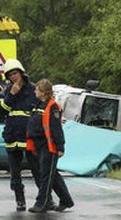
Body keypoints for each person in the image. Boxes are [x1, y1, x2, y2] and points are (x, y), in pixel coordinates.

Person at [27, 79, 74, 213]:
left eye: (37, 90)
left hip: (49, 145)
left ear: (43, 92)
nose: (34, 92)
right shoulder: (38, 105)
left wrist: (60, 147)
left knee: (46, 176)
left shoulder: (52, 107)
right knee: (51, 175)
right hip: (39, 145)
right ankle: (66, 200)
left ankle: (42, 203)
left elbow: (56, 128)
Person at [0, 59, 41, 211]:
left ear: (21, 73)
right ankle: (20, 200)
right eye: (10, 75)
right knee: (15, 175)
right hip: (12, 138)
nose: (13, 77)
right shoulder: (5, 91)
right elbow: (0, 112)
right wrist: (11, 95)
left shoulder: (34, 89)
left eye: (15, 73)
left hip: (30, 136)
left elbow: (40, 111)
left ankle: (44, 199)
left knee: (38, 170)